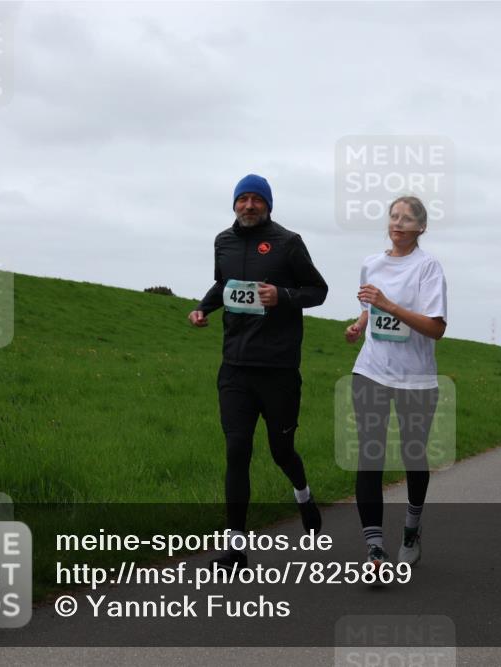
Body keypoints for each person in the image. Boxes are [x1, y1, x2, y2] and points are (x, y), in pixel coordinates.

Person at [189, 174, 328, 570]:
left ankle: (303, 494)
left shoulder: (289, 242)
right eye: (242, 199)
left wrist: (281, 296)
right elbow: (223, 284)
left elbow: (318, 291)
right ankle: (236, 549)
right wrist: (204, 307)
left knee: (281, 451)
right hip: (235, 367)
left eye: (256, 199)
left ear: (268, 204)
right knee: (237, 451)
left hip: (279, 369)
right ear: (234, 204)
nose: (249, 205)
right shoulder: (223, 242)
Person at [344, 195, 447, 569]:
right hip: (371, 370)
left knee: (412, 455)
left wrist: (389, 306)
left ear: (421, 227)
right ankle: (374, 549)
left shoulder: (428, 268)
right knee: (369, 454)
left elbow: (436, 328)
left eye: (407, 219)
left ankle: (411, 528)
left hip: (415, 379)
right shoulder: (371, 264)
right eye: (393, 216)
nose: (398, 223)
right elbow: (370, 308)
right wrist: (359, 324)